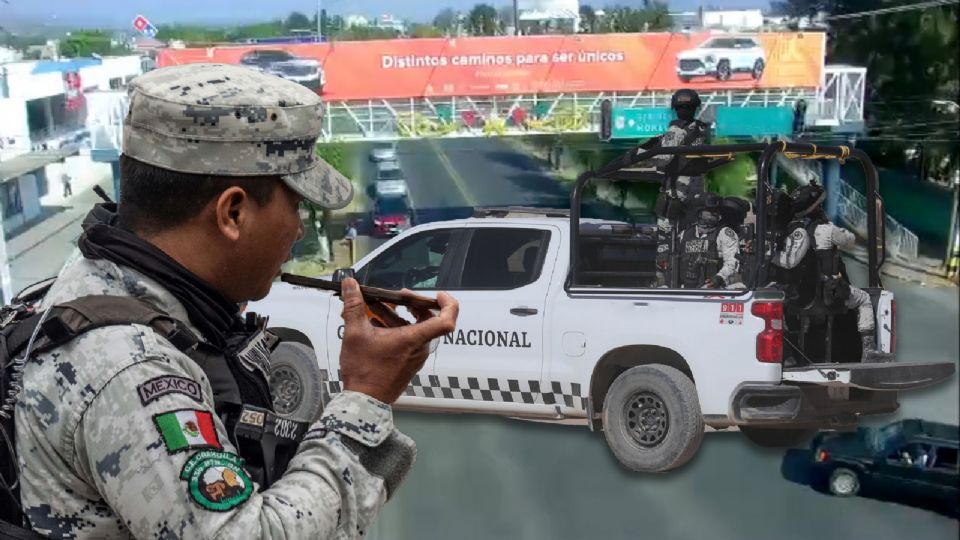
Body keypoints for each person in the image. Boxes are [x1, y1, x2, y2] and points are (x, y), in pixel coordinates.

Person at [11, 63, 459, 538]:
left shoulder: (97, 287)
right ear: (233, 212)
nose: (301, 228)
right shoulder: (130, 367)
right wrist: (366, 394)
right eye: (297, 205)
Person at [771, 182, 890, 363]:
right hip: (825, 295)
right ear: (817, 207)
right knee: (864, 299)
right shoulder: (826, 230)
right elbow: (849, 240)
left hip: (799, 296)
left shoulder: (792, 231)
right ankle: (868, 350)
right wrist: (832, 226)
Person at [650, 89, 712, 287]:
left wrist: (653, 149)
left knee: (665, 239)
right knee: (690, 238)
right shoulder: (703, 130)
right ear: (695, 107)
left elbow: (662, 160)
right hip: (697, 190)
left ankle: (664, 280)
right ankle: (690, 278)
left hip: (676, 191)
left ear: (675, 108)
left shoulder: (675, 131)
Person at [677, 194, 743, 289]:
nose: (714, 214)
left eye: (716, 211)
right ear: (700, 213)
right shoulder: (685, 234)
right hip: (687, 289)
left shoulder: (724, 233)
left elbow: (732, 262)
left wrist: (720, 277)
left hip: (714, 289)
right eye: (710, 211)